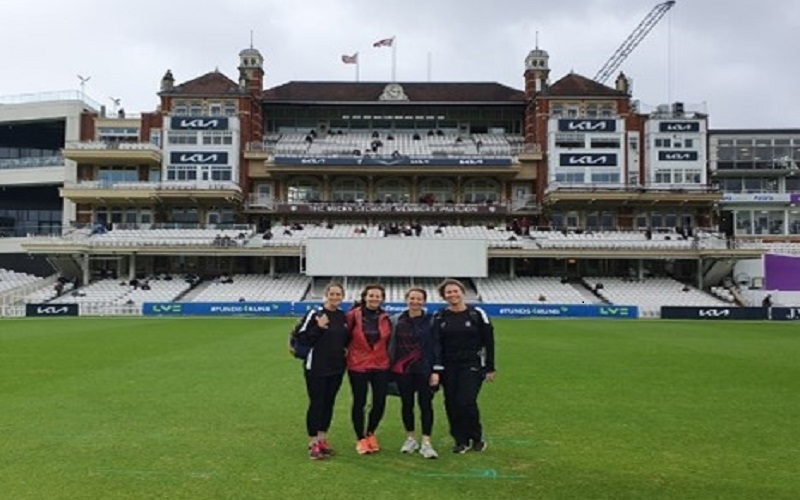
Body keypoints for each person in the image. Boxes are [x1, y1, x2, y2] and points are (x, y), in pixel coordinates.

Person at [431, 278, 496, 454]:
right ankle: (460, 440)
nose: (452, 294)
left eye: (455, 291)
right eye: (448, 292)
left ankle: (476, 437)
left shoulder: (477, 313)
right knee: (451, 403)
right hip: (448, 366)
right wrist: (436, 369)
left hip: (472, 364)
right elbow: (435, 344)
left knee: (466, 401)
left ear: (462, 292)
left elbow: (489, 341)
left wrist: (490, 367)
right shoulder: (439, 316)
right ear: (444, 296)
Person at [296, 283, 349, 460]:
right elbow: (301, 338)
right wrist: (318, 327)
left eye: (338, 294)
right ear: (326, 295)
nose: (335, 297)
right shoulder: (315, 313)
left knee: (329, 403)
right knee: (316, 403)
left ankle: (322, 439)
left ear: (342, 296)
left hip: (336, 367)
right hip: (316, 367)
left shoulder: (343, 316)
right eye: (332, 293)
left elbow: (345, 340)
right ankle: (313, 443)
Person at [388, 288, 439, 459]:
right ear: (406, 300)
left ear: (424, 301)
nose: (415, 301)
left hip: (424, 369)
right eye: (412, 298)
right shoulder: (397, 320)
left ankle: (426, 442)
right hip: (402, 370)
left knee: (426, 406)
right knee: (407, 405)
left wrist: (435, 370)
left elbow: (436, 347)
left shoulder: (431, 321)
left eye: (419, 299)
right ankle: (410, 438)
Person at [346, 284, 393, 455]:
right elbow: (342, 338)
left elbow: (389, 343)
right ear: (365, 297)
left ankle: (371, 433)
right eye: (371, 295)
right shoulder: (352, 316)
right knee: (360, 402)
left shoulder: (386, 318)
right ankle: (360, 438)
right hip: (358, 365)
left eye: (378, 296)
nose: (374, 298)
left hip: (380, 364)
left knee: (380, 401)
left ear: (382, 298)